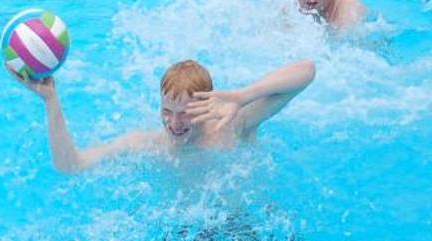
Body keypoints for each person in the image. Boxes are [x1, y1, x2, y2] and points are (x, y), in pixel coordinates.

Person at [19, 58, 317, 174]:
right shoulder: (148, 144)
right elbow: (71, 166)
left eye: (186, 114)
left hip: (240, 233)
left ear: (208, 105)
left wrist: (241, 97)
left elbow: (306, 71)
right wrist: (50, 100)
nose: (174, 124)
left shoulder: (234, 126)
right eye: (167, 111)